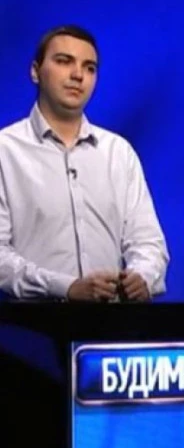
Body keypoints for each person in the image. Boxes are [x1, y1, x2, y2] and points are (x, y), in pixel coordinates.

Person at [0, 25, 169, 302]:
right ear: (35, 71)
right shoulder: (6, 151)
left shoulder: (118, 152)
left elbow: (148, 241)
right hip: (32, 323)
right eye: (64, 61)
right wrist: (67, 287)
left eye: (89, 68)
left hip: (113, 320)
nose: (78, 75)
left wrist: (143, 277)